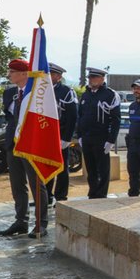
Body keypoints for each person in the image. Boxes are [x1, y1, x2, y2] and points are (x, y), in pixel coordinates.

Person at [0, 59, 49, 237]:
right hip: (13, 143)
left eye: (12, 72)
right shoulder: (9, 93)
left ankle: (41, 222)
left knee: (36, 183)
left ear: (24, 73)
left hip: (31, 144)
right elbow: (10, 118)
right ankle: (21, 221)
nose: (9, 75)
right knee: (17, 184)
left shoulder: (37, 93)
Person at [76, 66, 120, 199]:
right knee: (91, 168)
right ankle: (93, 192)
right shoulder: (86, 94)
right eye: (90, 77)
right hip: (87, 137)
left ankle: (101, 194)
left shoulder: (110, 95)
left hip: (101, 138)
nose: (92, 80)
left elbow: (115, 120)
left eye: (95, 77)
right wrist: (80, 135)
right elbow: (80, 116)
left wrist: (111, 140)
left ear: (102, 79)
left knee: (102, 169)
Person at [47, 63, 77, 205]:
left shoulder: (66, 91)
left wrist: (66, 138)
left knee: (62, 168)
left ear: (59, 77)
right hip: (45, 135)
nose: (48, 76)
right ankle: (45, 196)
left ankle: (61, 197)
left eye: (52, 74)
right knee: (45, 166)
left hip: (61, 135)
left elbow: (72, 117)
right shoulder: (40, 90)